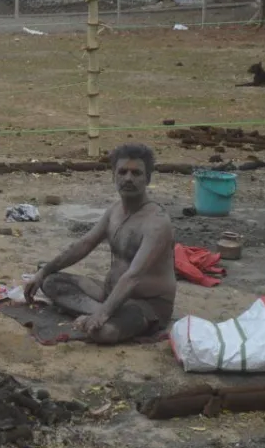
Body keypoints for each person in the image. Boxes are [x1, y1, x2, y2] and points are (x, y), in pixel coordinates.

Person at [24, 144, 177, 345]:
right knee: (50, 282)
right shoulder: (115, 211)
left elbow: (134, 276)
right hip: (109, 293)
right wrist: (42, 272)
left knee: (103, 332)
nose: (128, 178)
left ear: (147, 178)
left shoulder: (157, 222)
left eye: (136, 173)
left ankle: (102, 314)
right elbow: (84, 244)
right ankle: (101, 311)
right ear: (113, 175)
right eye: (122, 172)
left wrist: (102, 315)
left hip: (146, 305)